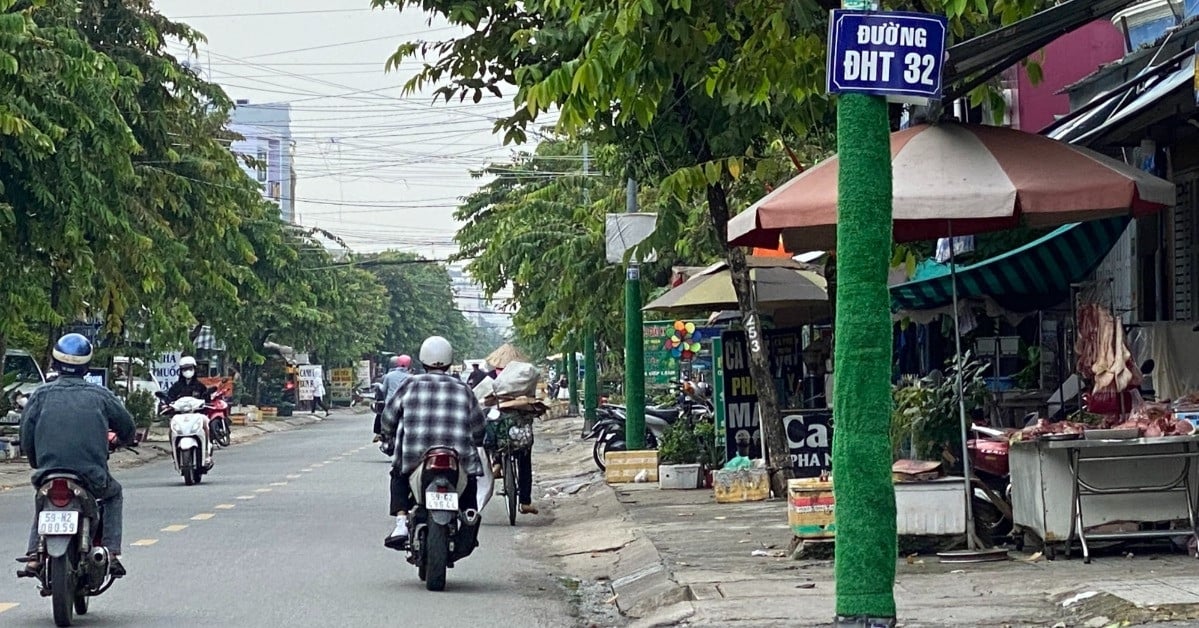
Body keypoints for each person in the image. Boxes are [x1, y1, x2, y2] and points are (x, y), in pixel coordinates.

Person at [18, 333, 136, 578]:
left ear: (55, 363)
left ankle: (33, 554)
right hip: (91, 476)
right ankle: (112, 552)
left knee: (43, 500)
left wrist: (36, 464)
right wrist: (122, 441)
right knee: (113, 494)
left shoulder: (40, 395)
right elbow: (127, 427)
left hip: (47, 472)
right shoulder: (101, 395)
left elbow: (26, 435)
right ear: (87, 366)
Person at [380, 336, 485, 549]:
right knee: (471, 479)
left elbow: (388, 417)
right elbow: (478, 426)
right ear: (448, 361)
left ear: (422, 360)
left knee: (398, 474)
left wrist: (386, 434)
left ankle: (401, 522)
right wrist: (478, 440)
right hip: (458, 459)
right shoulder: (463, 388)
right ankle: (468, 514)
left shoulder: (409, 384)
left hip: (415, 458)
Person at [373, 355, 411, 442]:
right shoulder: (410, 377)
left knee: (381, 416)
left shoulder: (389, 376)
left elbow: (383, 389)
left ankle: (380, 434)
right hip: (405, 403)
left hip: (390, 403)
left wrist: (378, 385)